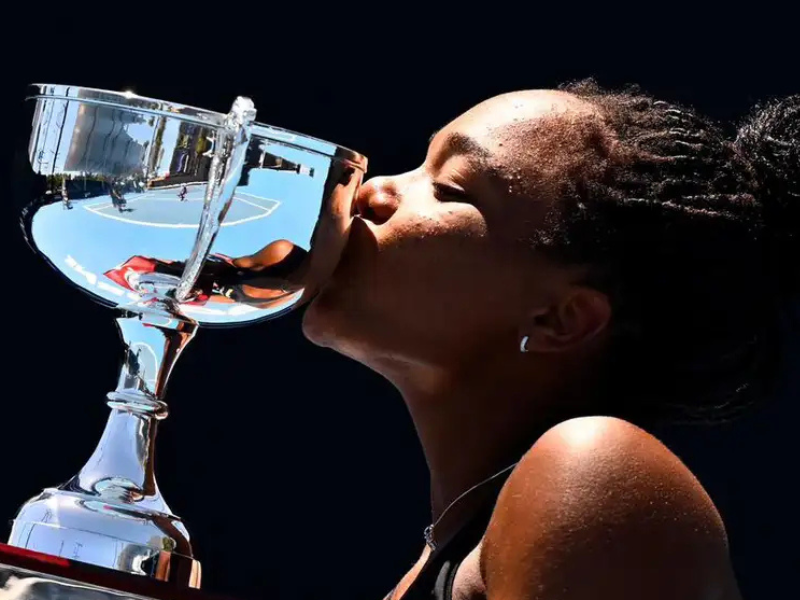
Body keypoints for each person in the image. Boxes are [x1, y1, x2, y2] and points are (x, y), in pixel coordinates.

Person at [301, 80, 799, 600]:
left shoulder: (594, 473)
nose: (373, 190)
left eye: (450, 186)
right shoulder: (447, 552)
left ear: (559, 319)